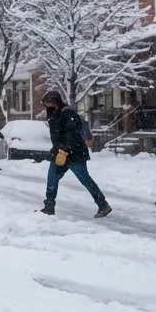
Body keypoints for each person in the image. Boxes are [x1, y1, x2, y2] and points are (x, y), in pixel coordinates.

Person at [40, 90, 112, 218]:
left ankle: (102, 204)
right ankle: (49, 206)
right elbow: (57, 135)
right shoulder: (53, 114)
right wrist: (58, 149)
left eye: (47, 103)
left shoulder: (68, 113)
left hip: (74, 153)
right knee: (52, 178)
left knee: (85, 179)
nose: (45, 106)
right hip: (60, 153)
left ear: (54, 102)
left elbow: (72, 133)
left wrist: (66, 148)